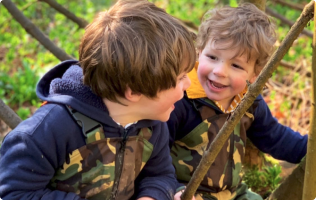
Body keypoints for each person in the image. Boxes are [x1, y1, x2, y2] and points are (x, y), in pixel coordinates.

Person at [0, 0, 196, 199]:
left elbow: (160, 175)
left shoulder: (151, 123)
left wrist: (152, 196)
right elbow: (13, 193)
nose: (188, 83)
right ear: (135, 92)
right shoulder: (49, 130)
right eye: (180, 78)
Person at [169, 3, 307, 200]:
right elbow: (157, 157)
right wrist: (173, 189)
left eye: (236, 65)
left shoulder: (249, 102)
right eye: (212, 57)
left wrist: (309, 149)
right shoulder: (181, 100)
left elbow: (275, 138)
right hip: (188, 194)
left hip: (234, 193)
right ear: (199, 52)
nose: (219, 71)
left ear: (255, 74)